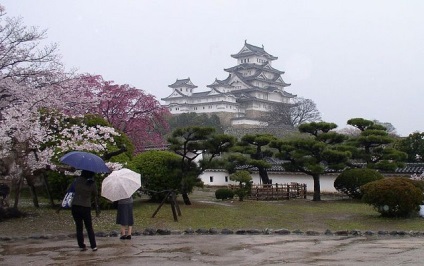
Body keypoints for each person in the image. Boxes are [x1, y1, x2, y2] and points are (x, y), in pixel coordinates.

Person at [71, 170, 100, 251]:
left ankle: (81, 245)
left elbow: (71, 189)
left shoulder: (76, 180)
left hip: (75, 205)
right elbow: (95, 193)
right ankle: (93, 245)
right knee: (89, 227)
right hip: (86, 206)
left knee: (79, 227)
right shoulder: (91, 183)